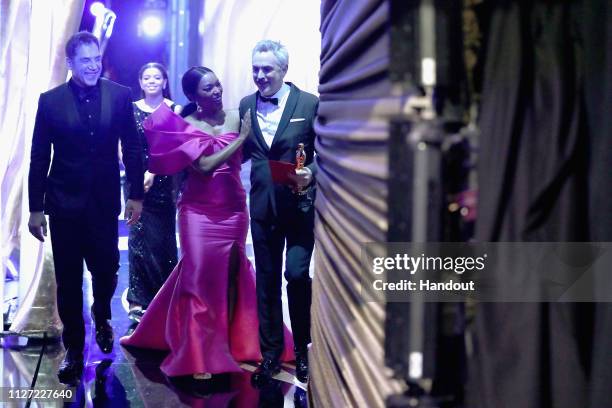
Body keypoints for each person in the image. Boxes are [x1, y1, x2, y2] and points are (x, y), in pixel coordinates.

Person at [120, 66, 294, 380]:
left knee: (231, 277)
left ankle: (233, 343)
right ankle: (199, 352)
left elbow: (264, 152)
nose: (216, 91)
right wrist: (240, 137)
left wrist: (293, 173)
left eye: (217, 85)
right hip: (197, 212)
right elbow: (203, 165)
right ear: (193, 96)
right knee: (198, 277)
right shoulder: (187, 124)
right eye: (208, 89)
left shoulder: (236, 114)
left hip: (233, 210)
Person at [27, 31, 144, 384]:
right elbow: (38, 157)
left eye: (96, 59)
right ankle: (74, 349)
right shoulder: (50, 102)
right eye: (85, 61)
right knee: (67, 280)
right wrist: (35, 207)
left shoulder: (120, 96)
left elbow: (133, 147)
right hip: (63, 203)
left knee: (107, 269)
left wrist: (135, 194)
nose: (93, 66)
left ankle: (102, 311)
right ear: (71, 63)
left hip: (104, 201)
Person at [239, 40, 318, 384]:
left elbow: (324, 151)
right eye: (256, 68)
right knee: (267, 283)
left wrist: (311, 172)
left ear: (284, 70)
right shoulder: (245, 105)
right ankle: (270, 354)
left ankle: (303, 349)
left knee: (297, 276)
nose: (260, 75)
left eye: (267, 69)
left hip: (300, 207)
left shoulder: (309, 104)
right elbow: (238, 151)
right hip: (262, 209)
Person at [125, 63, 179, 327]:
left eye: (157, 77)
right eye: (147, 77)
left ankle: (165, 300)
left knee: (163, 242)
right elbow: (123, 145)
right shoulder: (131, 108)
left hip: (164, 183)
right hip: (136, 185)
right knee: (137, 243)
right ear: (140, 81)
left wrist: (154, 171)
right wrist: (133, 171)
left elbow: (174, 147)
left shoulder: (174, 109)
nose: (152, 81)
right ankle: (138, 303)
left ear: (165, 81)